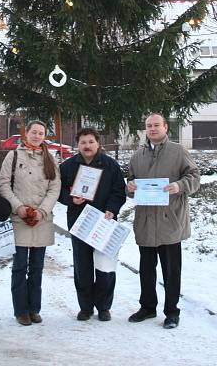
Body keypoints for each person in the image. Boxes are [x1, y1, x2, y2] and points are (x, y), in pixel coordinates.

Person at [126, 113, 200, 329]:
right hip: (146, 222)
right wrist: (129, 187)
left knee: (171, 271)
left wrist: (180, 186)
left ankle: (172, 311)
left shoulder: (178, 151)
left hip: (170, 221)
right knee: (146, 270)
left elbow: (194, 178)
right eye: (149, 125)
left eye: (157, 125)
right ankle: (148, 307)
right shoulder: (137, 156)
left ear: (166, 127)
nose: (153, 128)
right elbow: (131, 182)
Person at [59, 127, 126, 322]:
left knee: (105, 267)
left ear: (98, 143)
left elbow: (118, 191)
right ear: (77, 145)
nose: (87, 146)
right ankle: (86, 307)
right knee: (83, 267)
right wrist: (71, 200)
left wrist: (112, 209)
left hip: (105, 222)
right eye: (83, 142)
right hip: (80, 222)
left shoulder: (110, 165)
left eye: (91, 142)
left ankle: (104, 307)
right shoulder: (68, 166)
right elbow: (58, 191)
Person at [0, 120, 61, 326]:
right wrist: (19, 208)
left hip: (41, 221)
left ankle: (34, 308)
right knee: (19, 266)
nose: (37, 136)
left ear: (44, 136)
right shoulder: (13, 156)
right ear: (27, 134)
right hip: (20, 219)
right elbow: (4, 185)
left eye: (41, 133)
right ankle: (21, 310)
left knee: (37, 267)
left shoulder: (50, 158)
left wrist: (41, 212)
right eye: (34, 132)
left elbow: (54, 188)